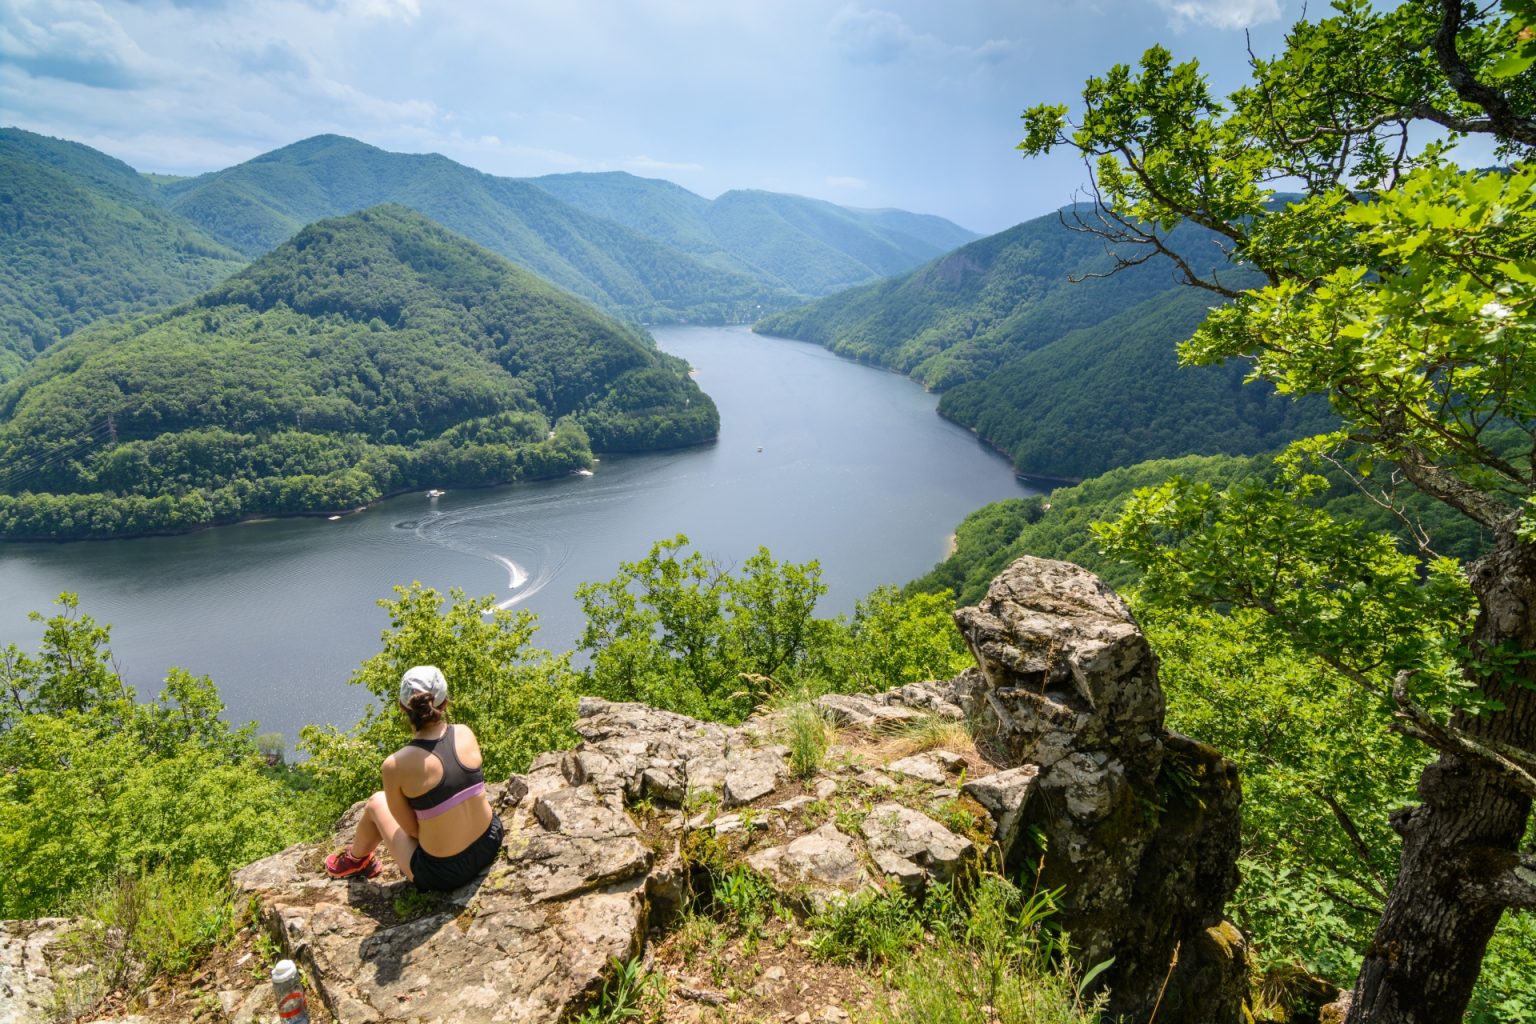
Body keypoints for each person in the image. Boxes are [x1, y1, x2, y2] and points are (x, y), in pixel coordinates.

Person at [324, 665, 504, 891]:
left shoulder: (396, 765)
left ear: (402, 707)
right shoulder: (465, 733)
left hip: (443, 874)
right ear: (445, 701)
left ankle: (354, 860)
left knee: (376, 803)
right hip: (491, 841)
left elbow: (411, 831)